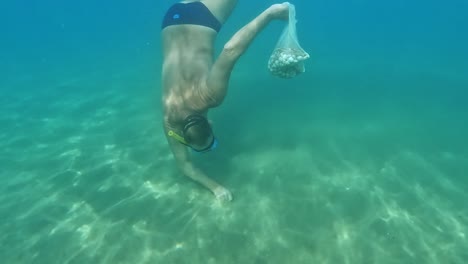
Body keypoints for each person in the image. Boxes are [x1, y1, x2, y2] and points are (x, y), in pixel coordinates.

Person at [161, 0, 289, 201]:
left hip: (201, 18)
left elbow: (231, 51)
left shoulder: (210, 96)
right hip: (171, 19)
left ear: (210, 124)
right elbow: (185, 166)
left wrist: (270, 14)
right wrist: (215, 188)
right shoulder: (169, 118)